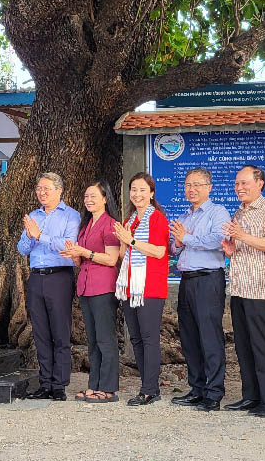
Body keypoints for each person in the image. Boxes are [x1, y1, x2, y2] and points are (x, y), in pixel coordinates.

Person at [221, 165, 265, 418]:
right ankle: (250, 397)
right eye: (237, 184)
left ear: (260, 183)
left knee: (262, 346)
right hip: (238, 288)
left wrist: (242, 236)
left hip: (259, 289)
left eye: (244, 183)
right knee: (243, 346)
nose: (240, 188)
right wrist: (230, 249)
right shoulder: (239, 213)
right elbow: (241, 246)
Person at [168, 167, 230, 412]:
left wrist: (188, 238)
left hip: (208, 280)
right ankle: (196, 388)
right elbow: (176, 249)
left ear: (209, 187)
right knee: (190, 337)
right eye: (187, 185)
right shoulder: (184, 216)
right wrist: (177, 242)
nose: (191, 189)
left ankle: (214, 393)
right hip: (187, 280)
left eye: (196, 185)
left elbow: (218, 241)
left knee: (209, 337)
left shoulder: (218, 212)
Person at [17, 172, 80, 401]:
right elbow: (23, 248)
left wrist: (40, 235)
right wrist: (31, 236)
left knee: (60, 332)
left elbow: (67, 244)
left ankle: (59, 385)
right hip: (36, 277)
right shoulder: (33, 216)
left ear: (59, 191)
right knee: (41, 332)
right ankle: (44, 383)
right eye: (39, 189)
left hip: (59, 277)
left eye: (46, 189)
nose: (41, 193)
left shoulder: (71, 216)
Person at [60, 181, 121, 403]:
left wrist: (84, 251)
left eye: (94, 196)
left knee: (106, 338)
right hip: (86, 286)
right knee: (93, 340)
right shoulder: (86, 226)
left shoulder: (110, 225)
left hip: (103, 287)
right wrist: (75, 255)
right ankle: (94, 384)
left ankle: (109, 388)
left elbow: (112, 259)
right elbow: (83, 259)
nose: (89, 200)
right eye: (86, 196)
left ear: (105, 199)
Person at [113, 172, 170, 406]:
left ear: (152, 193)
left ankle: (150, 389)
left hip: (150, 287)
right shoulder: (130, 221)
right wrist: (122, 240)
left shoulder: (157, 219)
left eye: (142, 190)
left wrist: (132, 241)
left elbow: (159, 251)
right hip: (129, 286)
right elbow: (122, 255)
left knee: (148, 338)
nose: (137, 194)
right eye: (133, 190)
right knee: (135, 338)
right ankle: (147, 385)